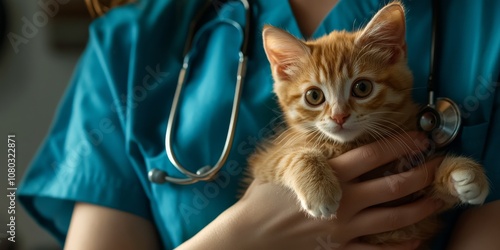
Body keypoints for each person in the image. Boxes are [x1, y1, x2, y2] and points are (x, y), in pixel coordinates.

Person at [19, 0, 500, 249]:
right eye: (316, 97)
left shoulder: (485, 22)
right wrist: (236, 241)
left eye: (357, 93)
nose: (338, 114)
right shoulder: (132, 44)